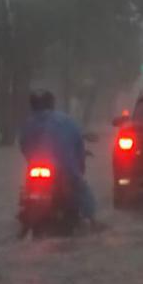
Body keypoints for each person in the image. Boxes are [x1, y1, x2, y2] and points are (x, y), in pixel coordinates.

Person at [19, 90, 98, 225]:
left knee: (25, 190)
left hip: (35, 168)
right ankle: (92, 220)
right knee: (82, 190)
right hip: (64, 168)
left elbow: (24, 146)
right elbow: (78, 146)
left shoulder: (29, 122)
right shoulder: (66, 120)